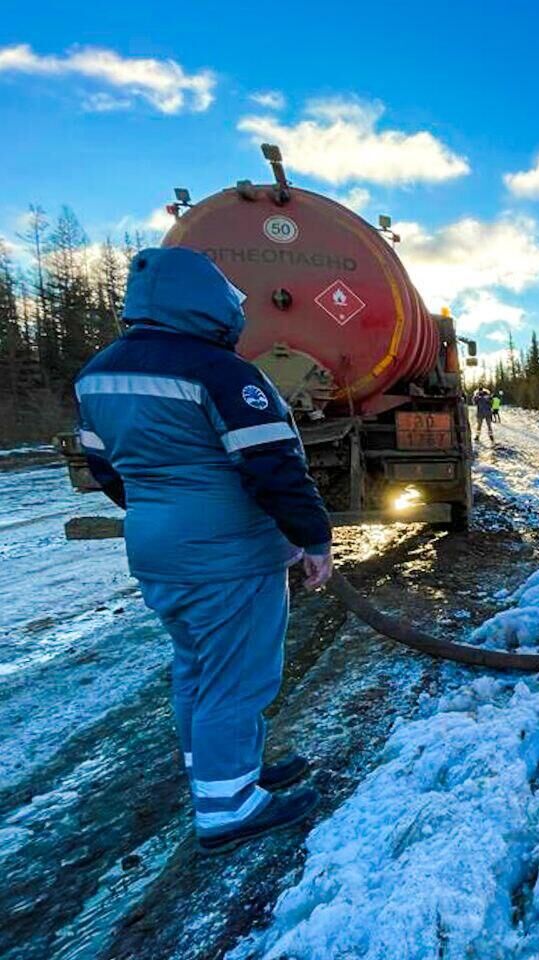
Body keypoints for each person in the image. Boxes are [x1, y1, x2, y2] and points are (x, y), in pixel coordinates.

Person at [74, 247, 330, 855]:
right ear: (204, 301)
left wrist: (161, 511)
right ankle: (229, 808)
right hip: (228, 553)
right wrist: (312, 539)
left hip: (159, 548)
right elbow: (274, 469)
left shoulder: (97, 374)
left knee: (196, 667)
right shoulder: (219, 371)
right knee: (237, 678)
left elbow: (106, 469)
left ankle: (220, 771)